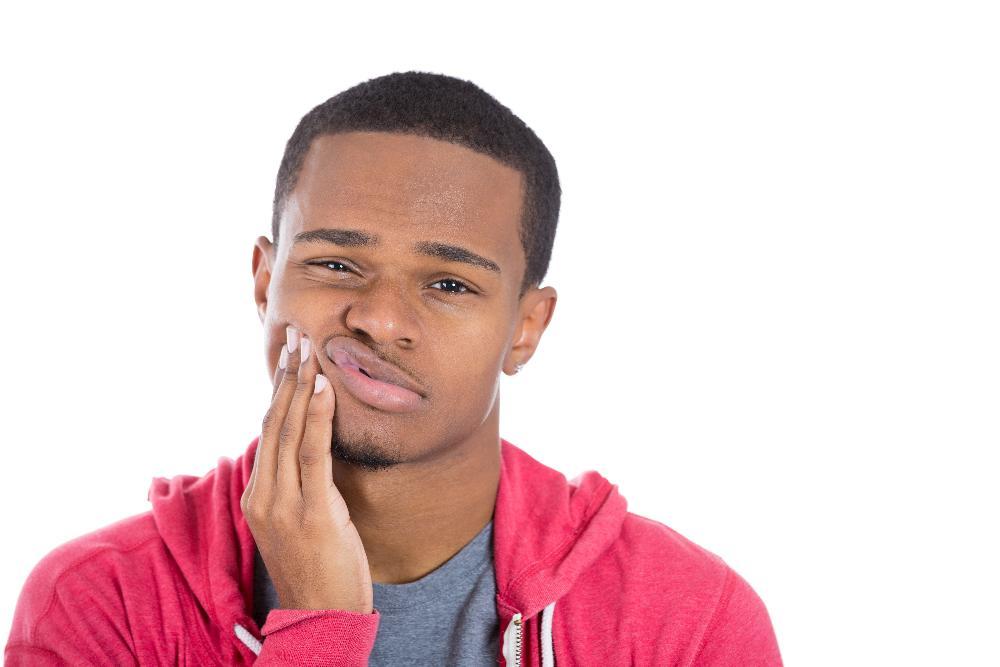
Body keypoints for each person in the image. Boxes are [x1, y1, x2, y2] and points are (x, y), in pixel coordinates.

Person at [5, 71, 782, 666]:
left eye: (449, 284)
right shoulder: (98, 602)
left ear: (526, 327)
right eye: (337, 263)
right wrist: (320, 629)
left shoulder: (688, 619)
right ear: (262, 280)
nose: (378, 318)